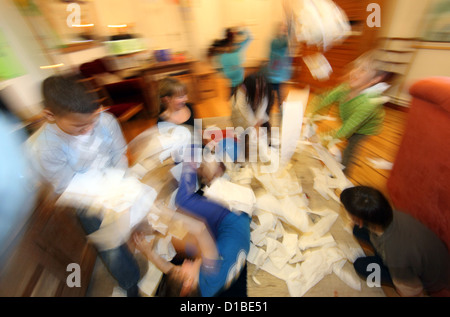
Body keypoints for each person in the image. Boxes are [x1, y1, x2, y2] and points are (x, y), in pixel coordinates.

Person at [27, 74, 141, 297]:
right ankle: (129, 283)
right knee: (111, 248)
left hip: (115, 184)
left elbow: (118, 153)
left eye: (93, 119)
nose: (89, 128)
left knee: (131, 224)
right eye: (79, 125)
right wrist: (105, 201)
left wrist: (121, 184)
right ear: (50, 115)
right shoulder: (45, 148)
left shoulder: (105, 121)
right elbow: (67, 187)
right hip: (87, 201)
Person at [134, 160, 251, 297]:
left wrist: (149, 253)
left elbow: (169, 270)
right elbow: (200, 228)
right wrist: (165, 212)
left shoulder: (201, 291)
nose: (182, 264)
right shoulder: (211, 272)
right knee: (183, 202)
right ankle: (191, 152)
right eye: (181, 270)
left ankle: (206, 173)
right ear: (188, 283)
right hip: (235, 219)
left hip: (228, 241)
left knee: (189, 246)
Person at [340, 186, 450, 297]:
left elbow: (412, 289)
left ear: (359, 220)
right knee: (357, 230)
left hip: (423, 277)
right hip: (420, 255)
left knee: (360, 266)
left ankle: (385, 267)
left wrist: (401, 288)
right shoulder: (391, 214)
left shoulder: (396, 257)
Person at [308, 52, 393, 174]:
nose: (355, 72)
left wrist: (320, 137)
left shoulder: (368, 104)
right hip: (349, 118)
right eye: (355, 66)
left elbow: (346, 130)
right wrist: (311, 116)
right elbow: (325, 99)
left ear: (375, 79)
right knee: (335, 138)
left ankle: (344, 175)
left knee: (349, 149)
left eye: (363, 69)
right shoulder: (345, 88)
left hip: (363, 129)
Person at [208, 27, 253, 97]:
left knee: (238, 95)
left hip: (234, 78)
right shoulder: (235, 48)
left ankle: (235, 99)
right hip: (234, 78)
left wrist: (241, 31)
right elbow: (250, 38)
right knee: (237, 95)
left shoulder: (233, 48)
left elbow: (249, 38)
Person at [263, 21, 293, 118]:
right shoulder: (275, 41)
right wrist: (290, 30)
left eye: (285, 28)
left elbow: (288, 57)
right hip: (272, 76)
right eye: (282, 28)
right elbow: (283, 43)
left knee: (280, 100)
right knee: (270, 100)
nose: (284, 30)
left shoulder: (284, 43)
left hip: (280, 77)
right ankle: (266, 117)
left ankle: (281, 117)